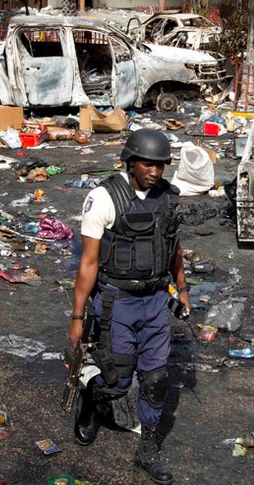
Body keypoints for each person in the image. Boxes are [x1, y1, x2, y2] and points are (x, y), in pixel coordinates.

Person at [69, 128, 191, 484]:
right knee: (117, 382)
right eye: (147, 164)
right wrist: (78, 318)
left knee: (156, 381)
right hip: (116, 303)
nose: (154, 171)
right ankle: (92, 402)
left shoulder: (168, 198)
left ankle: (147, 452)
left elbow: (173, 248)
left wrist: (182, 289)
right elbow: (88, 263)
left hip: (155, 300)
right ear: (131, 161)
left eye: (160, 165)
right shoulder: (104, 198)